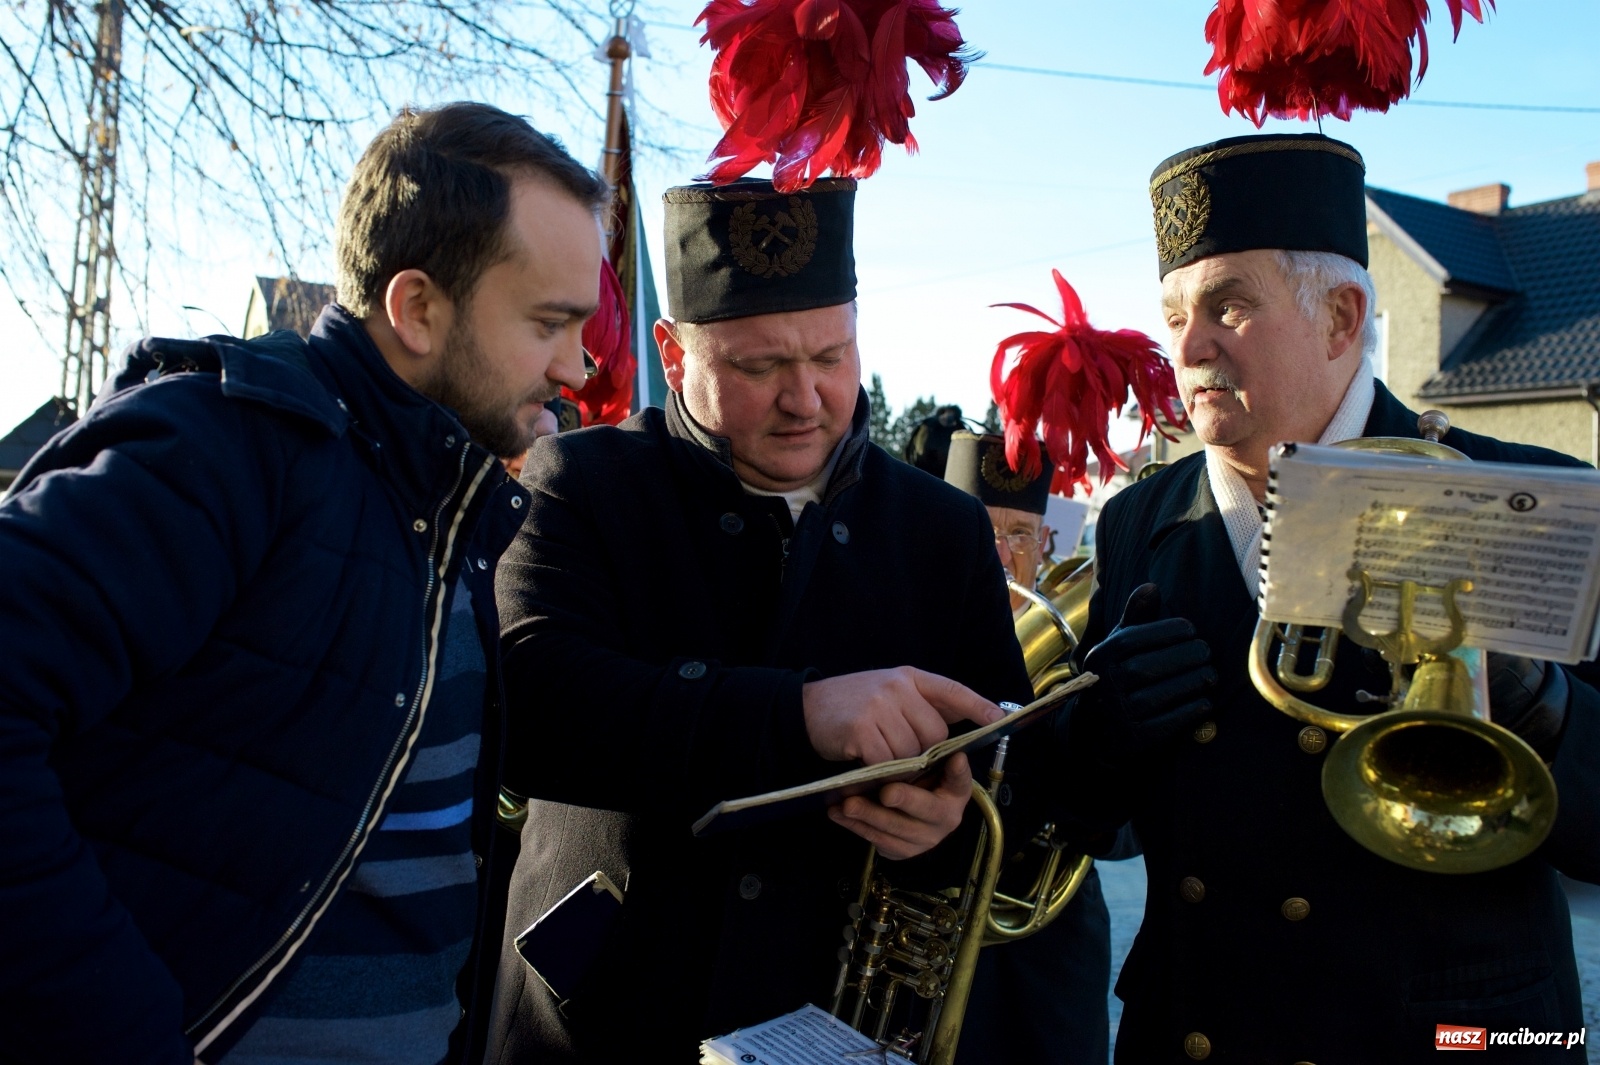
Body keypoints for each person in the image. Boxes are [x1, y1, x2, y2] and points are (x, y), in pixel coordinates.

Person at [0, 102, 604, 1065]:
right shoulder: (220, 453)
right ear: (415, 309)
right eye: (549, 323)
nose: (575, 366)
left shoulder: (451, 512)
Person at [1051, 132, 1600, 1062]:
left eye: (1230, 306)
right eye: (1177, 312)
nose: (1189, 346)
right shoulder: (1138, 518)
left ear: (1342, 317)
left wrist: (1538, 702)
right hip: (1201, 1030)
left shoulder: (1530, 491)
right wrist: (1094, 735)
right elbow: (1091, 823)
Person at [485, 177, 1032, 1062]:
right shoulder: (578, 484)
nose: (806, 397)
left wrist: (946, 825)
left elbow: (1004, 752)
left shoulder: (941, 526)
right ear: (672, 354)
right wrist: (801, 713)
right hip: (599, 1008)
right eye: (759, 365)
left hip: (829, 1018)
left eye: (832, 356)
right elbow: (532, 705)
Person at [942, 430, 1113, 1065]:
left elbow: (1125, 834)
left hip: (1050, 949)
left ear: (1046, 544)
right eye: (982, 530)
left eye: (1020, 535)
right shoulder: (902, 628)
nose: (1001, 554)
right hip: (930, 932)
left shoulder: (1085, 649)